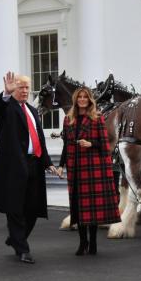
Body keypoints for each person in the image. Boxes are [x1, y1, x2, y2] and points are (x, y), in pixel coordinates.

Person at [0, 72, 58, 264]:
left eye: (27, 87)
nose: (25, 91)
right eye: (21, 87)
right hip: (14, 166)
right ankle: (22, 249)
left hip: (34, 163)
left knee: (33, 208)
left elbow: (40, 140)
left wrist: (48, 163)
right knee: (15, 208)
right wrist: (6, 94)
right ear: (13, 89)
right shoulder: (6, 107)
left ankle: (15, 238)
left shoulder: (33, 111)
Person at [57, 87, 120, 256]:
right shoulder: (68, 119)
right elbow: (66, 145)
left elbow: (105, 145)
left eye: (85, 97)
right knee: (77, 207)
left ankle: (92, 243)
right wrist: (61, 165)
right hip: (74, 168)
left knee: (91, 208)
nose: (82, 99)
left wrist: (91, 144)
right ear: (76, 99)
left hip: (92, 168)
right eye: (80, 97)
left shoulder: (97, 118)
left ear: (90, 99)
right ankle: (82, 242)